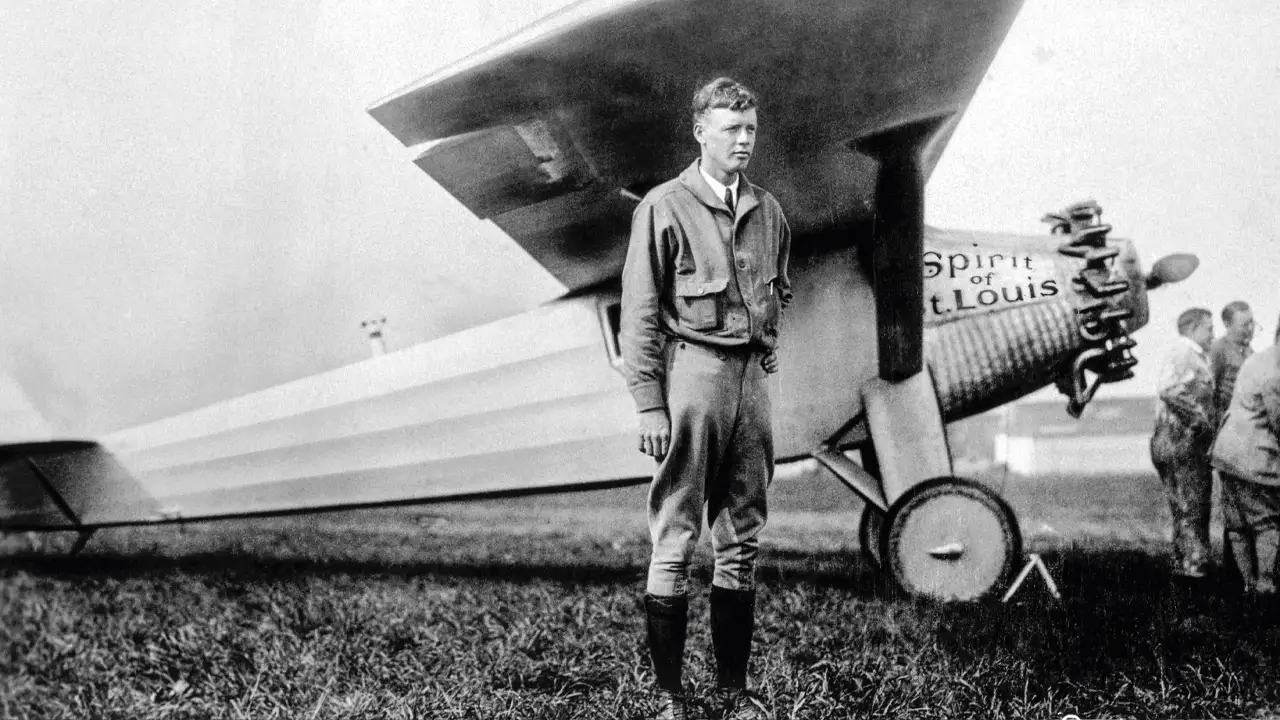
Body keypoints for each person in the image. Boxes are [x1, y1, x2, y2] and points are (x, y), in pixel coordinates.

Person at [620, 77, 791, 720]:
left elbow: (780, 287)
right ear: (700, 132)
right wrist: (648, 402)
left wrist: (768, 338)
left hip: (752, 384)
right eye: (731, 130)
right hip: (692, 377)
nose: (744, 141)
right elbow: (638, 312)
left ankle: (734, 692)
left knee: (742, 535)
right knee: (677, 533)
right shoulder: (664, 207)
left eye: (750, 130)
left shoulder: (768, 210)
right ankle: (669, 699)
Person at [1211, 317, 1280, 600]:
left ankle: (1248, 586)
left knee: (1238, 525)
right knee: (1267, 522)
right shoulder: (1275, 371)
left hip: (1228, 452)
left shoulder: (1258, 358)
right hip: (1253, 456)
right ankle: (1264, 586)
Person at [1150, 308, 1216, 579]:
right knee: (1193, 506)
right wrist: (1200, 420)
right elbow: (1168, 389)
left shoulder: (1192, 354)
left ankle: (1185, 565)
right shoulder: (1184, 353)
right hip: (1181, 441)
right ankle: (1194, 569)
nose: (1213, 334)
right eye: (1209, 329)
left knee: (1184, 507)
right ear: (1192, 329)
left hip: (1175, 440)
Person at [1209, 301, 1256, 419]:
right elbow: (1209, 391)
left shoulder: (1249, 350)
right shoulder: (1217, 349)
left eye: (1252, 322)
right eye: (1244, 325)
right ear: (1227, 324)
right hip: (1228, 420)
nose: (1250, 328)